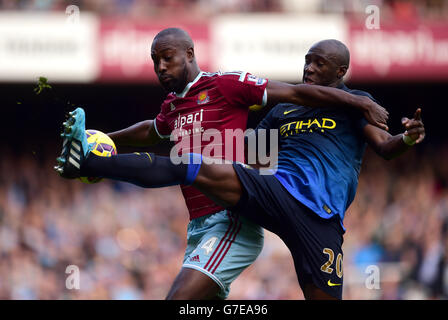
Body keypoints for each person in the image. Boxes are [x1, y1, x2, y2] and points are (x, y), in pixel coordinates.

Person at [55, 30, 392, 299]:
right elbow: (153, 131)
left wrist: (360, 103)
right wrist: (105, 137)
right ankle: (89, 157)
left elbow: (296, 94)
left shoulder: (228, 84)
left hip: (232, 220)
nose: (160, 67)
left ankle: (88, 163)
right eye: (155, 60)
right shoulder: (174, 106)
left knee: (182, 164)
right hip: (206, 222)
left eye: (167, 58)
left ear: (189, 54)